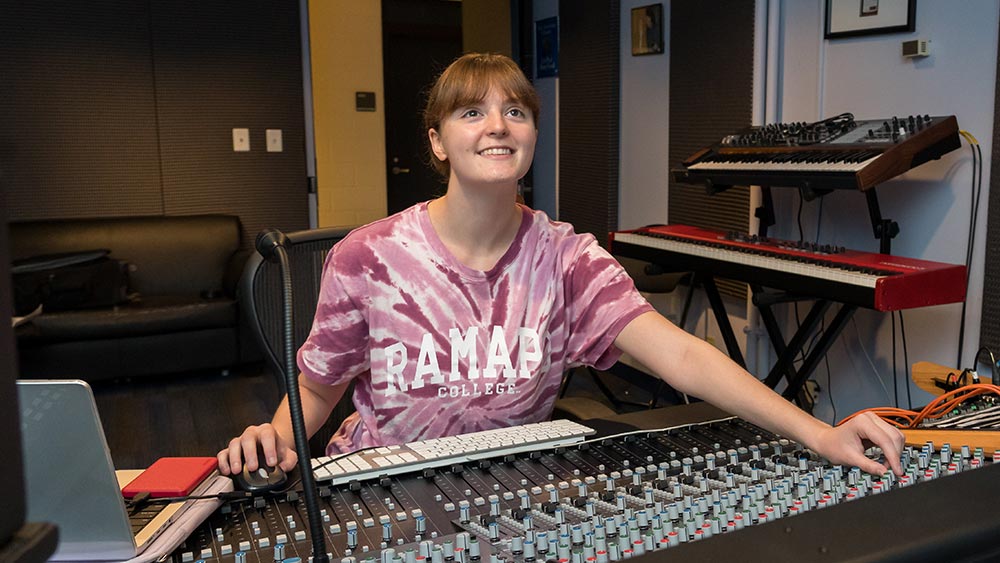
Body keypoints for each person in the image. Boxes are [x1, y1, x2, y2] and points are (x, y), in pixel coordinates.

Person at [218, 53, 904, 479]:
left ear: (533, 136)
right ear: (437, 141)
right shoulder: (367, 256)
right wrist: (271, 440)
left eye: (516, 111)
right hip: (385, 480)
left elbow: (683, 357)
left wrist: (820, 430)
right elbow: (317, 388)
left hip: (518, 483)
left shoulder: (567, 258)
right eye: (472, 112)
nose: (498, 125)